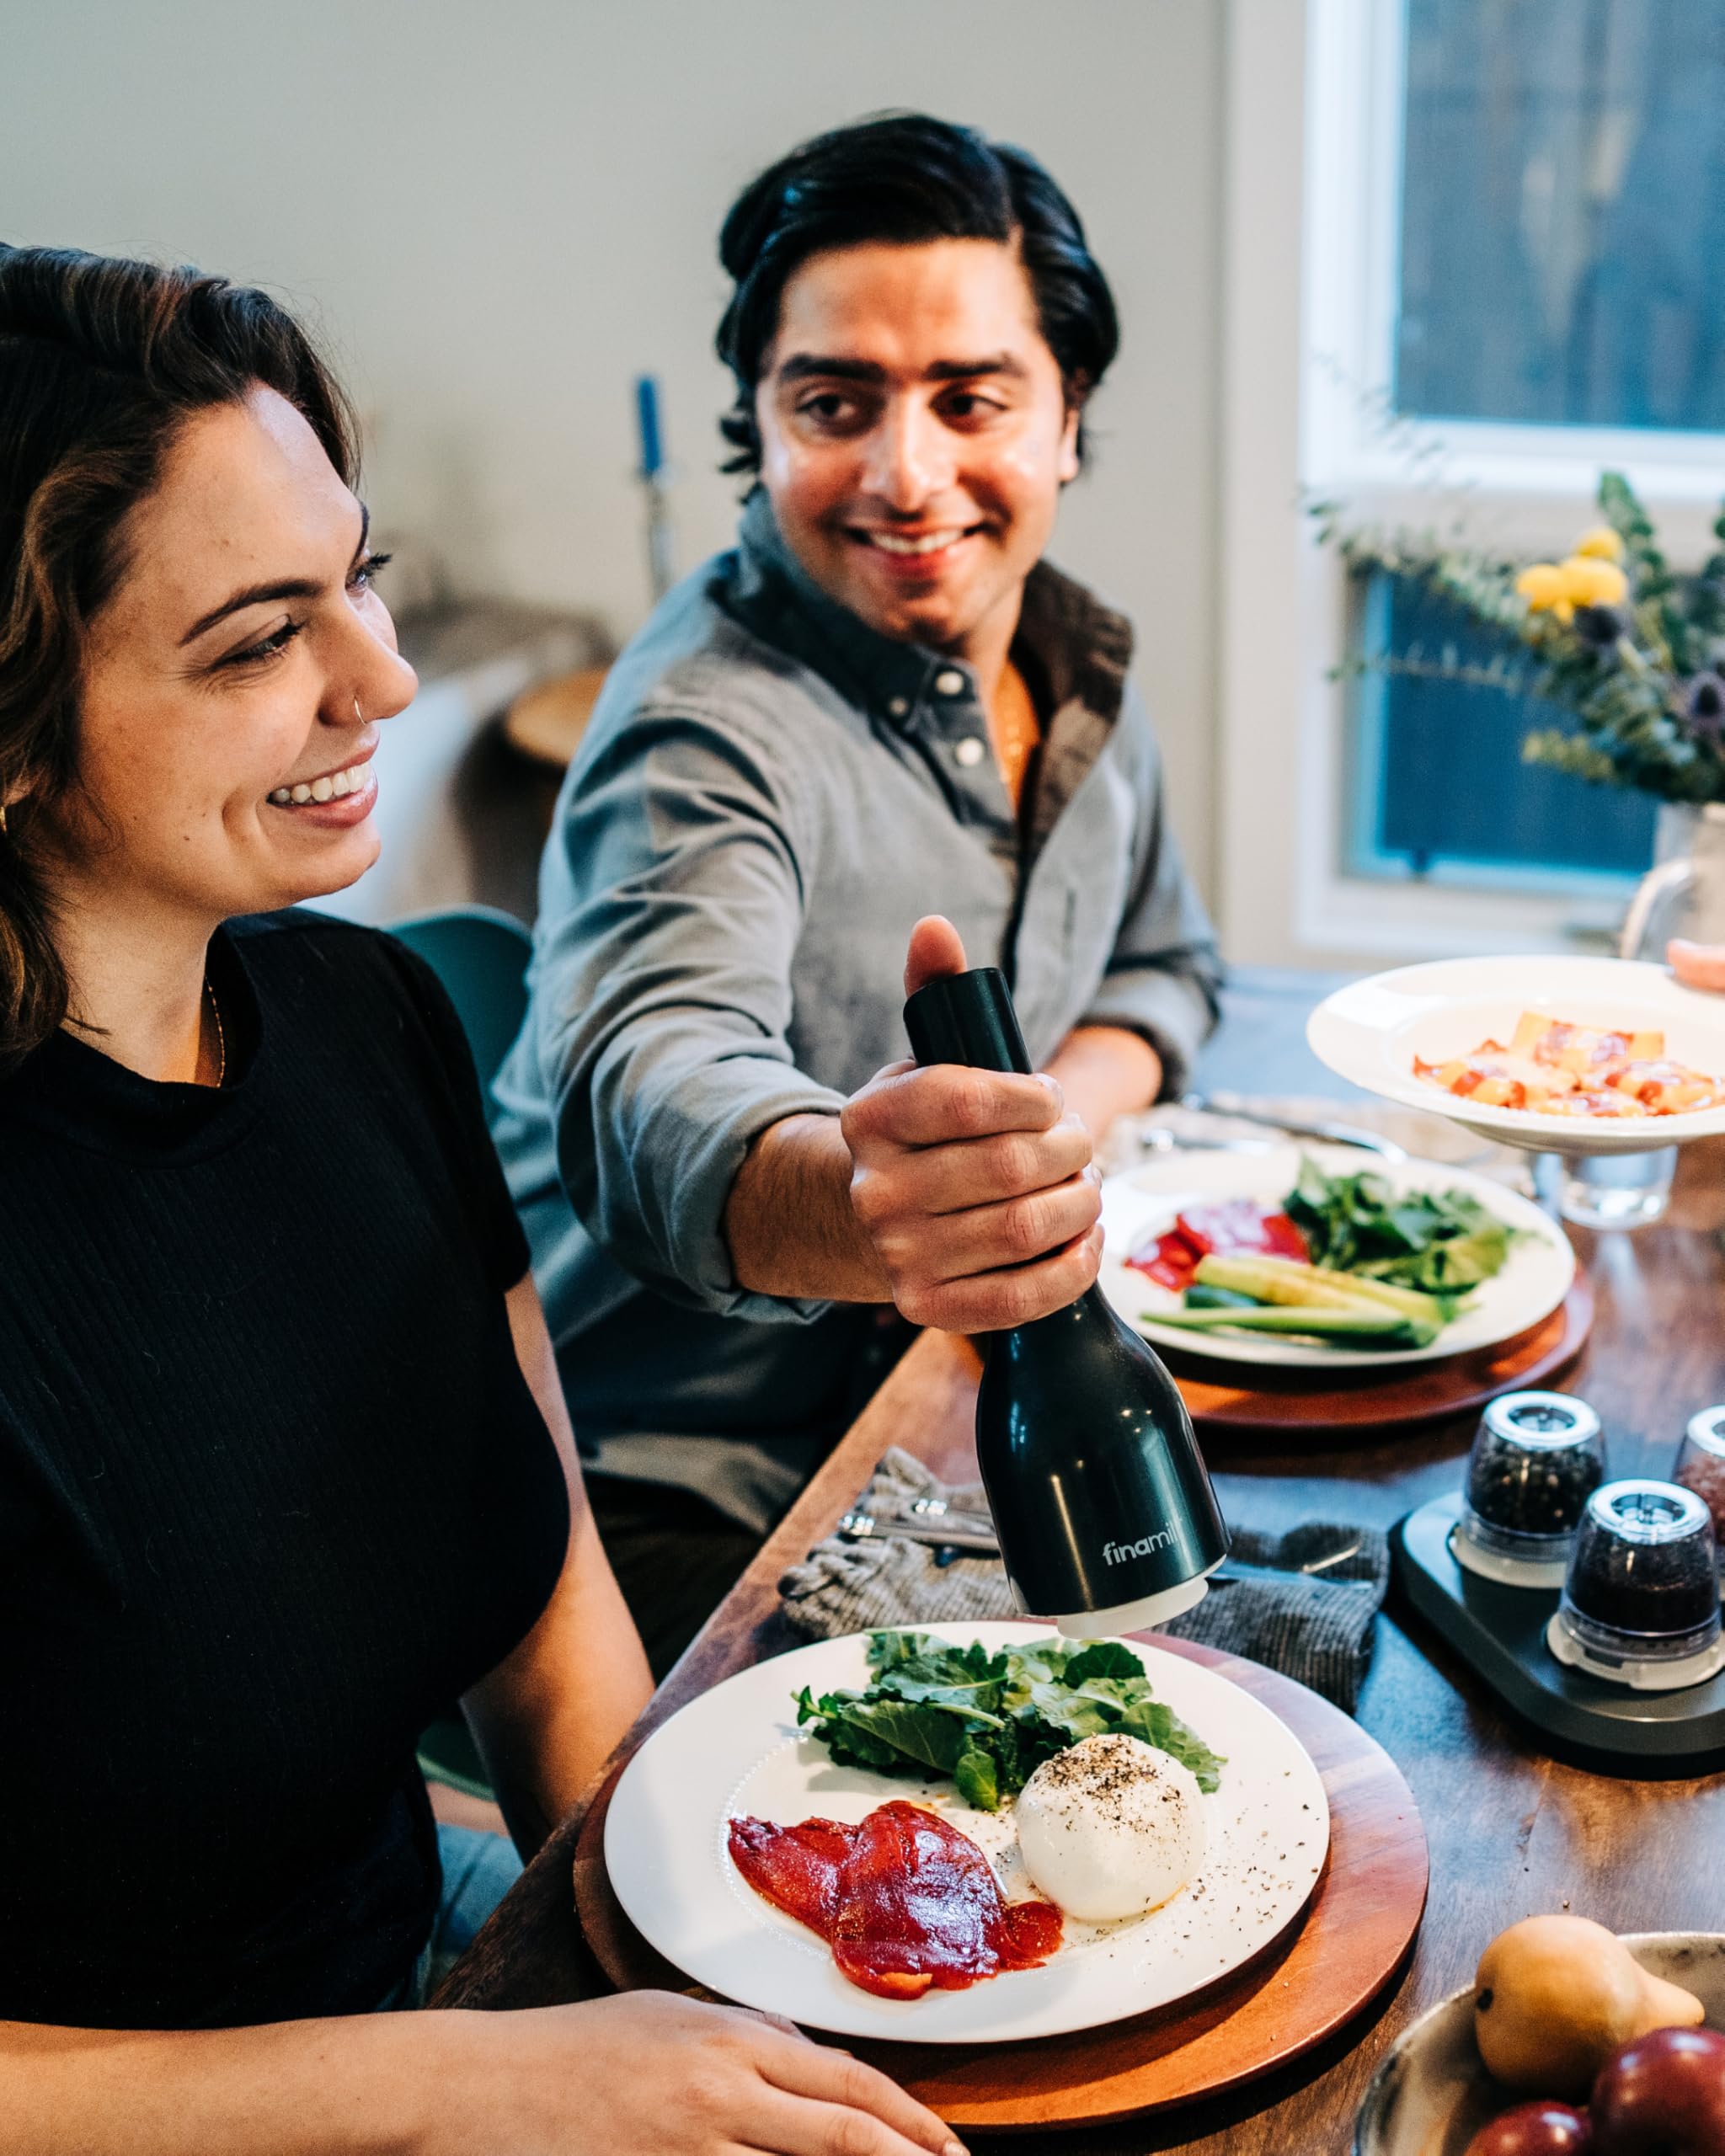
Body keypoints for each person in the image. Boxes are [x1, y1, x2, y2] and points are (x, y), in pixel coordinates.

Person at [0, 244, 962, 2156]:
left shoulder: (371, 1014)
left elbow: (538, 1590)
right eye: (260, 638)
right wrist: (474, 2074)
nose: (386, 674)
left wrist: (673, 1944)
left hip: (441, 1985)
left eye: (357, 571)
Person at [493, 114, 1220, 1672]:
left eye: (972, 399)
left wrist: (1035, 1162)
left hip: (968, 1397)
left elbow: (1166, 965)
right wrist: (884, 1208)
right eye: (836, 404)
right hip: (663, 1498)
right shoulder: (698, 728)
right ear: (759, 422)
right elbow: (650, 1088)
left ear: (1069, 417)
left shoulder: (1065, 650)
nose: (908, 476)